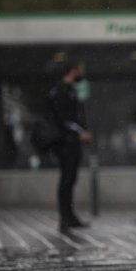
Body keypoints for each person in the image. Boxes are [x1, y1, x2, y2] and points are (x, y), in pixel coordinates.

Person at [48, 59, 93, 231]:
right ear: (73, 70)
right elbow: (62, 119)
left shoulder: (71, 90)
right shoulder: (60, 91)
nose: (83, 73)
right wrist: (79, 132)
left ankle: (69, 216)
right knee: (66, 180)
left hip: (72, 142)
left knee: (71, 179)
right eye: (81, 69)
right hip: (65, 143)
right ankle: (65, 217)